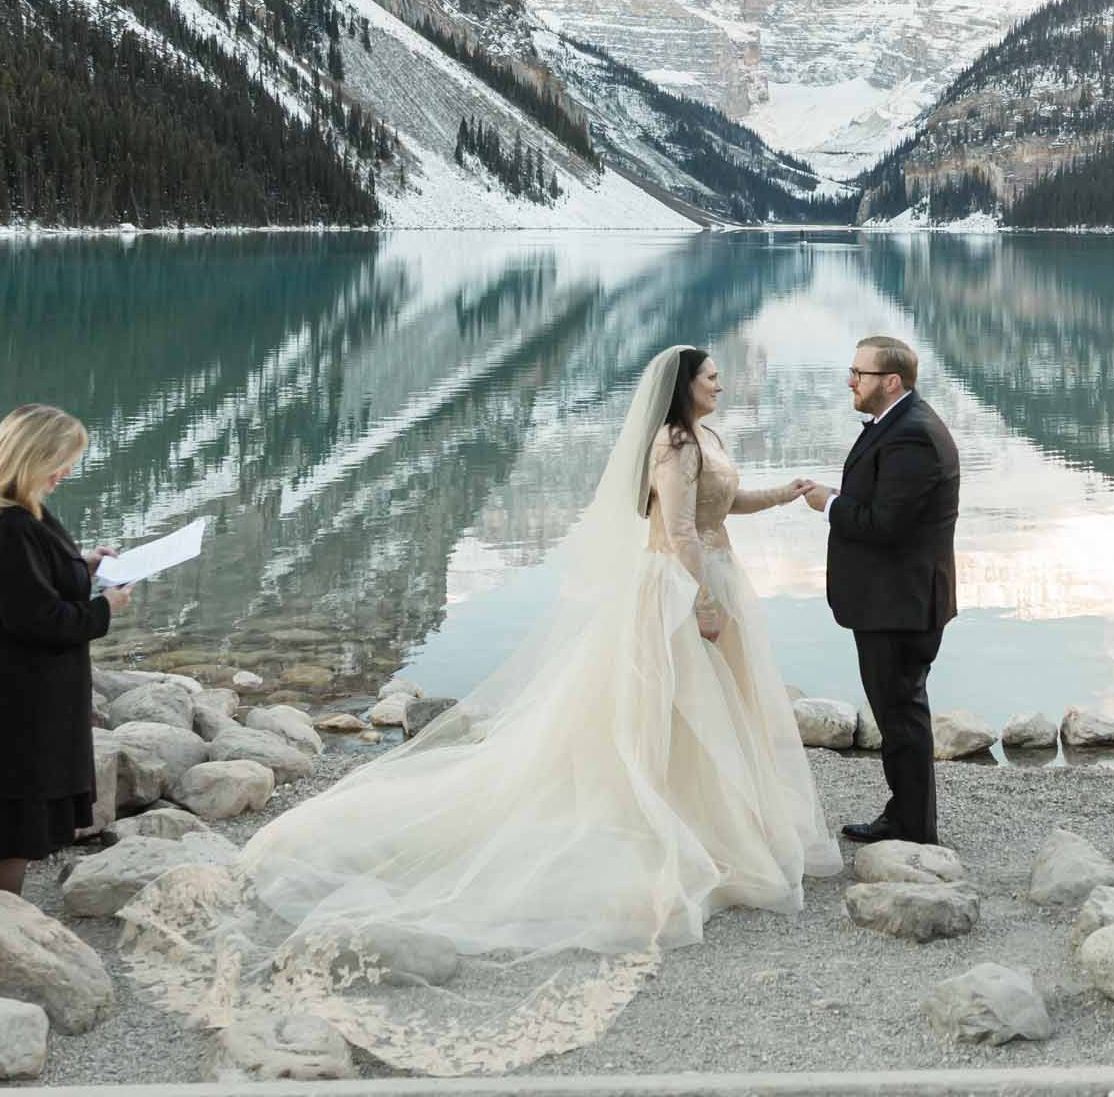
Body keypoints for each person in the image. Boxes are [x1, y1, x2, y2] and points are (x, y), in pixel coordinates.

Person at [123, 344, 839, 1076]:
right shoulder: (675, 442)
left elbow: (719, 509)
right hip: (680, 593)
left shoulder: (707, 441)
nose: (723, 383)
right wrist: (706, 601)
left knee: (710, 715)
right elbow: (681, 530)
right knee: (674, 712)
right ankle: (664, 816)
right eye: (713, 376)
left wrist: (783, 493)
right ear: (683, 388)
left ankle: (700, 814)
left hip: (709, 578)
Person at [0, 404, 133, 895]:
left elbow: (25, 582)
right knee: (10, 813)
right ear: (30, 456)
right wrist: (105, 606)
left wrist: (82, 563)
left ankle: (0, 912)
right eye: (61, 461)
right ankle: (0, 918)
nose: (66, 472)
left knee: (5, 808)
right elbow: (38, 618)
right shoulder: (8, 525)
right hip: (11, 701)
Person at [801, 335, 960, 847]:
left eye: (859, 373)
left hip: (898, 606)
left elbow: (885, 524)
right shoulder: (900, 426)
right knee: (899, 715)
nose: (850, 380)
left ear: (891, 381)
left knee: (902, 717)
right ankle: (906, 815)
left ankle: (914, 832)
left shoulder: (910, 436)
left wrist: (828, 504)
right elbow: (891, 504)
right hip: (898, 601)